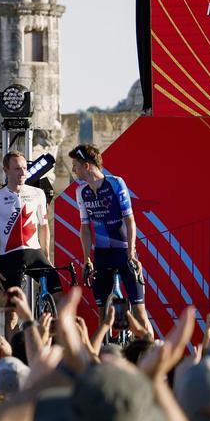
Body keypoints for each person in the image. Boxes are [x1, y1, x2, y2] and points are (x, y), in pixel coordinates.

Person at [68, 143, 152, 335]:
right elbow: (85, 227)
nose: (74, 170)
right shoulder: (81, 191)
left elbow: (129, 220)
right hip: (102, 255)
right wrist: (86, 258)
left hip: (124, 252)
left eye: (76, 165)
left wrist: (131, 253)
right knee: (102, 316)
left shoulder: (116, 183)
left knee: (140, 313)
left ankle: (151, 356)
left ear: (87, 166)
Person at [0, 151, 60, 334]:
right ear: (6, 170)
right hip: (10, 256)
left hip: (34, 253)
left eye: (25, 168)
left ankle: (54, 343)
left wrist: (46, 254)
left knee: (59, 295)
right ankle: (11, 355)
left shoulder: (38, 193)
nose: (22, 173)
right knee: (11, 313)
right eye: (17, 169)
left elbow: (44, 226)